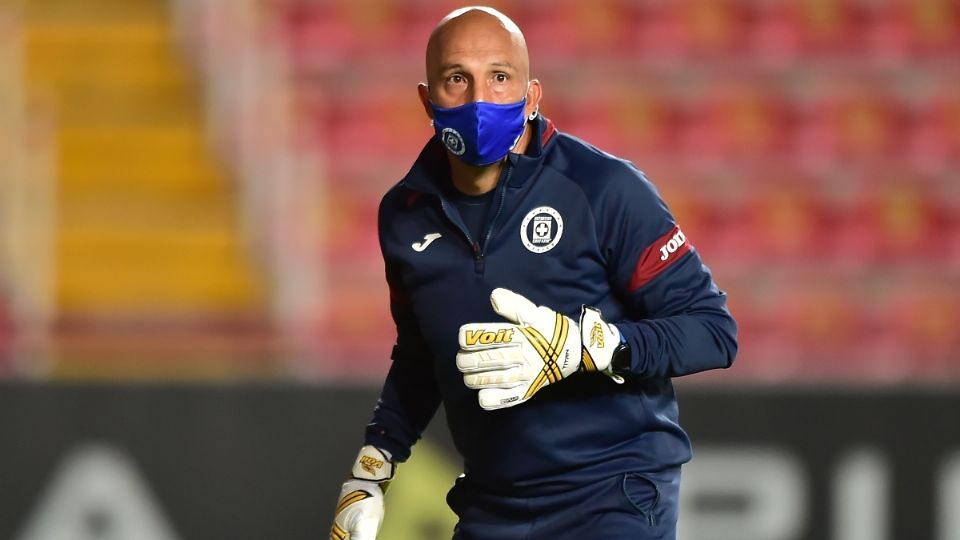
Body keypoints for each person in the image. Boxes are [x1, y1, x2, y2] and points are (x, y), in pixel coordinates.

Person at [330, 6, 737, 540]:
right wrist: (370, 472)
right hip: (491, 506)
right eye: (458, 79)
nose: (480, 100)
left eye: (500, 78)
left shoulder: (604, 189)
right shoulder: (404, 215)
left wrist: (587, 348)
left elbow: (713, 331)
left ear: (532, 96)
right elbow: (420, 355)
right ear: (428, 101)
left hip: (612, 495)